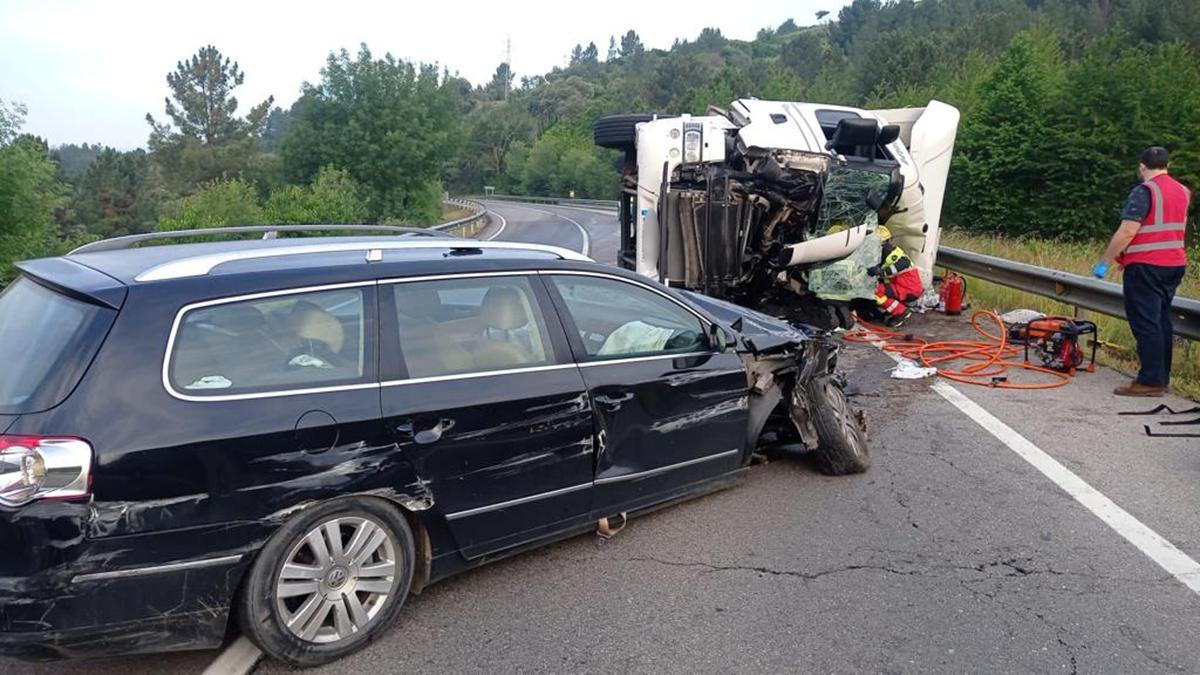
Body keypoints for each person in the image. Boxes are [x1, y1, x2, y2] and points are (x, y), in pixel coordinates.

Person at [1093, 146, 1190, 397]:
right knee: (1161, 320)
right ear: (1168, 165)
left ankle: (1150, 381)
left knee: (1145, 322)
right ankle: (1161, 377)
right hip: (1174, 264)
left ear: (1142, 167)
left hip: (1146, 265)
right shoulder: (1183, 191)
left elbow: (1127, 231)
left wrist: (1106, 259)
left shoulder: (1144, 191)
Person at [873, 225, 924, 327]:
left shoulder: (893, 256)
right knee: (878, 286)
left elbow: (902, 265)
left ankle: (901, 312)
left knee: (874, 291)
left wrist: (881, 272)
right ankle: (893, 309)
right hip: (904, 286)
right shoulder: (890, 252)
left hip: (908, 288)